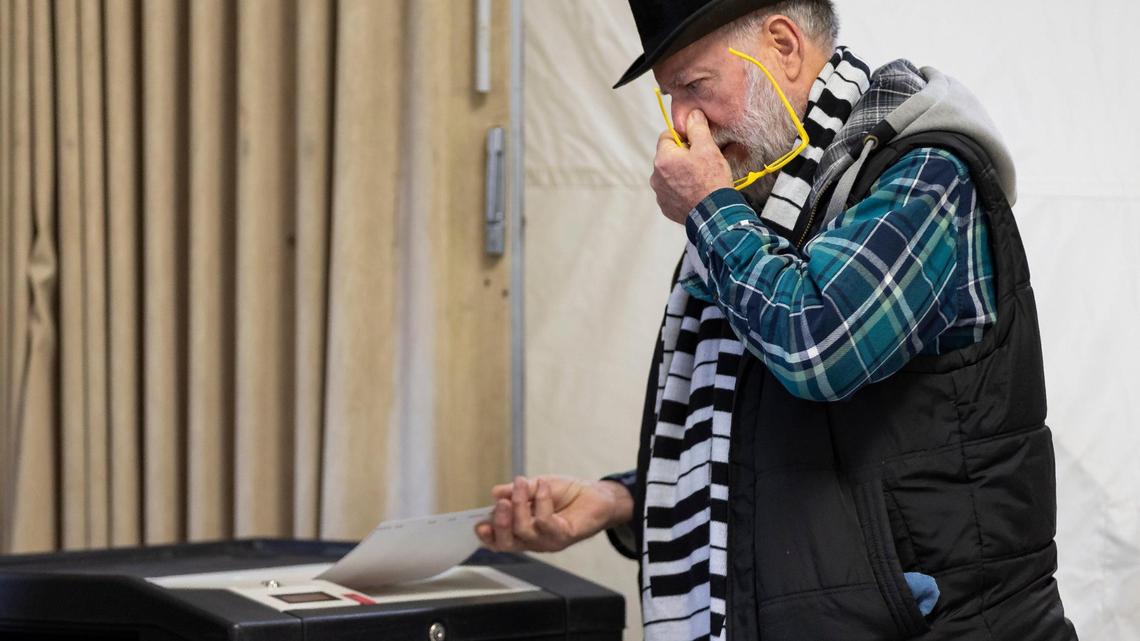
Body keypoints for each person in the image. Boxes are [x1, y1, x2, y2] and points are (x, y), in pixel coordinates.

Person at [476, 1, 1078, 639]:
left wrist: (710, 208)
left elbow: (817, 348)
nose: (681, 123)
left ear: (785, 46)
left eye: (694, 87)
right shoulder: (763, 205)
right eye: (669, 97)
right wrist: (628, 500)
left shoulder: (924, 173)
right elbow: (771, 441)